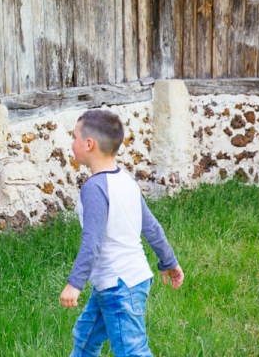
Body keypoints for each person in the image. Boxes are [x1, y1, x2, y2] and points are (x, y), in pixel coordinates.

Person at [60, 109, 185, 357]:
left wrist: (74, 284)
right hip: (121, 280)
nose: (71, 143)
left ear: (88, 143)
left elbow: (91, 242)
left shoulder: (94, 188)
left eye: (74, 137)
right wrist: (168, 261)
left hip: (119, 286)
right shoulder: (126, 181)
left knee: (131, 351)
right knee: (85, 338)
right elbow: (151, 226)